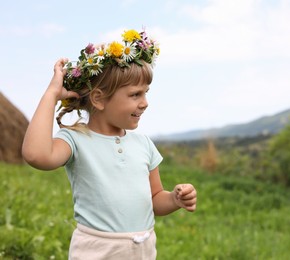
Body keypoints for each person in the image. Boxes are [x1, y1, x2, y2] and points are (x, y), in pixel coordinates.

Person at [22, 29, 197, 259]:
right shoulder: (76, 140)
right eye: (135, 95)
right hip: (96, 250)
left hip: (142, 249)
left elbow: (155, 199)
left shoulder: (144, 144)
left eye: (146, 93)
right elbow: (37, 155)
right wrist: (51, 95)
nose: (145, 103)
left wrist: (174, 199)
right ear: (99, 99)